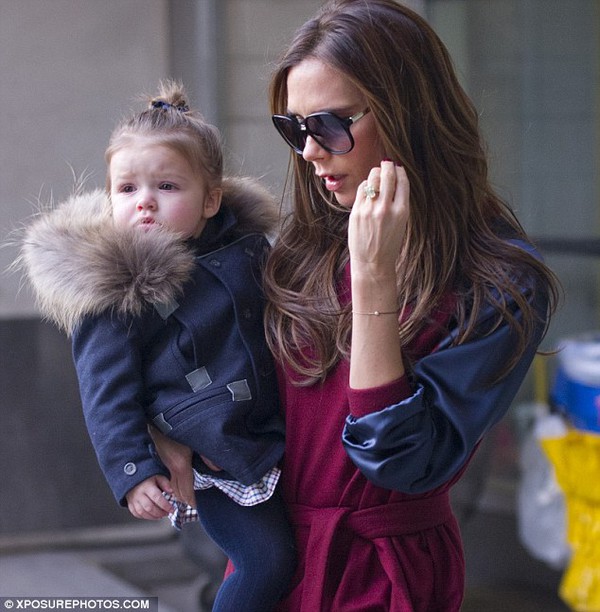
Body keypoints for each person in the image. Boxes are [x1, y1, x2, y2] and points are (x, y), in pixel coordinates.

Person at [154, 2, 560, 610]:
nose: (311, 152)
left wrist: (374, 279)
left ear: (410, 112)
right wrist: (168, 425)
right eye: (294, 129)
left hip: (383, 576)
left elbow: (400, 460)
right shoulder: (302, 246)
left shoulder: (497, 279)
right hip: (274, 558)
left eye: (331, 124)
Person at [19, 81, 296, 612]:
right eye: (126, 189)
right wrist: (134, 471)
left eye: (166, 186)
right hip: (211, 456)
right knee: (267, 561)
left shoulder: (246, 251)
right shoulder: (117, 287)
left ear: (211, 199)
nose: (144, 201)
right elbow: (107, 391)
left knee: (286, 560)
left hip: (273, 438)